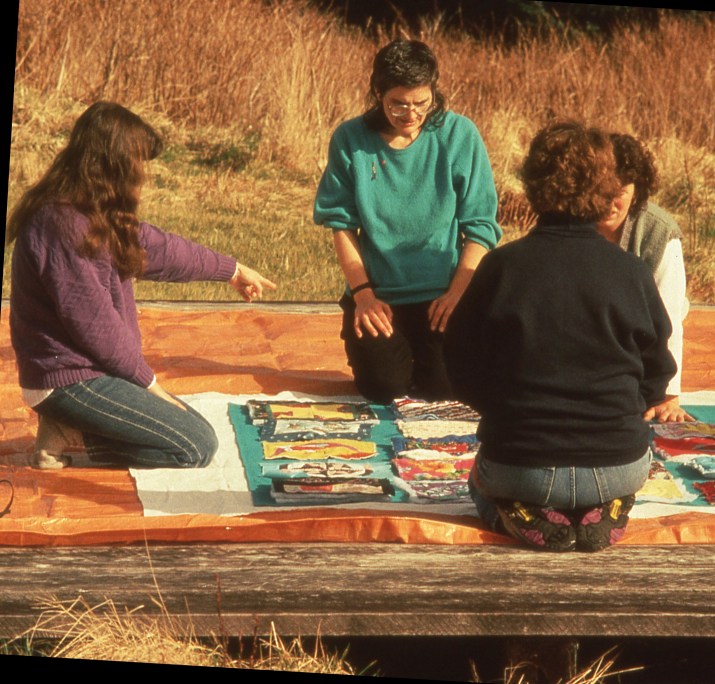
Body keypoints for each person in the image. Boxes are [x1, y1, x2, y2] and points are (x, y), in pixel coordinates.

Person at [443, 122, 676, 552]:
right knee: (616, 476)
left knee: (478, 481)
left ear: (533, 186)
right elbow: (658, 372)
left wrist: (507, 409)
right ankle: (607, 507)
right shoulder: (631, 272)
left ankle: (516, 511)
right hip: (618, 463)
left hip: (522, 462)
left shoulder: (501, 268)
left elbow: (459, 364)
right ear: (605, 191)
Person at [7, 101, 276, 470]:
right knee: (195, 446)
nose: (141, 176)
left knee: (196, 432)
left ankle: (73, 431)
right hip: (68, 381)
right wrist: (151, 385)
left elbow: (161, 249)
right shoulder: (61, 225)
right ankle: (69, 436)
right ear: (113, 163)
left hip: (96, 371)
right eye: (137, 164)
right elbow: (96, 329)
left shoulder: (96, 211)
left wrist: (231, 270)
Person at [313, 38, 502, 403]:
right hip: (380, 294)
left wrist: (458, 292)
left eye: (421, 103)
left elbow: (480, 224)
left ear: (434, 91)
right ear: (378, 92)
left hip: (445, 293)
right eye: (398, 104)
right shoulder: (350, 139)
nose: (411, 115)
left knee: (446, 388)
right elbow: (340, 224)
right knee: (382, 387)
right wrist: (363, 294)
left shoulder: (459, 134)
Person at [595, 133, 691, 423]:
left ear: (636, 190)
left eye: (620, 192)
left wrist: (668, 397)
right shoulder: (572, 220)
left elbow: (669, 317)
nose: (610, 202)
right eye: (601, 190)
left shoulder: (658, 233)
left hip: (637, 358)